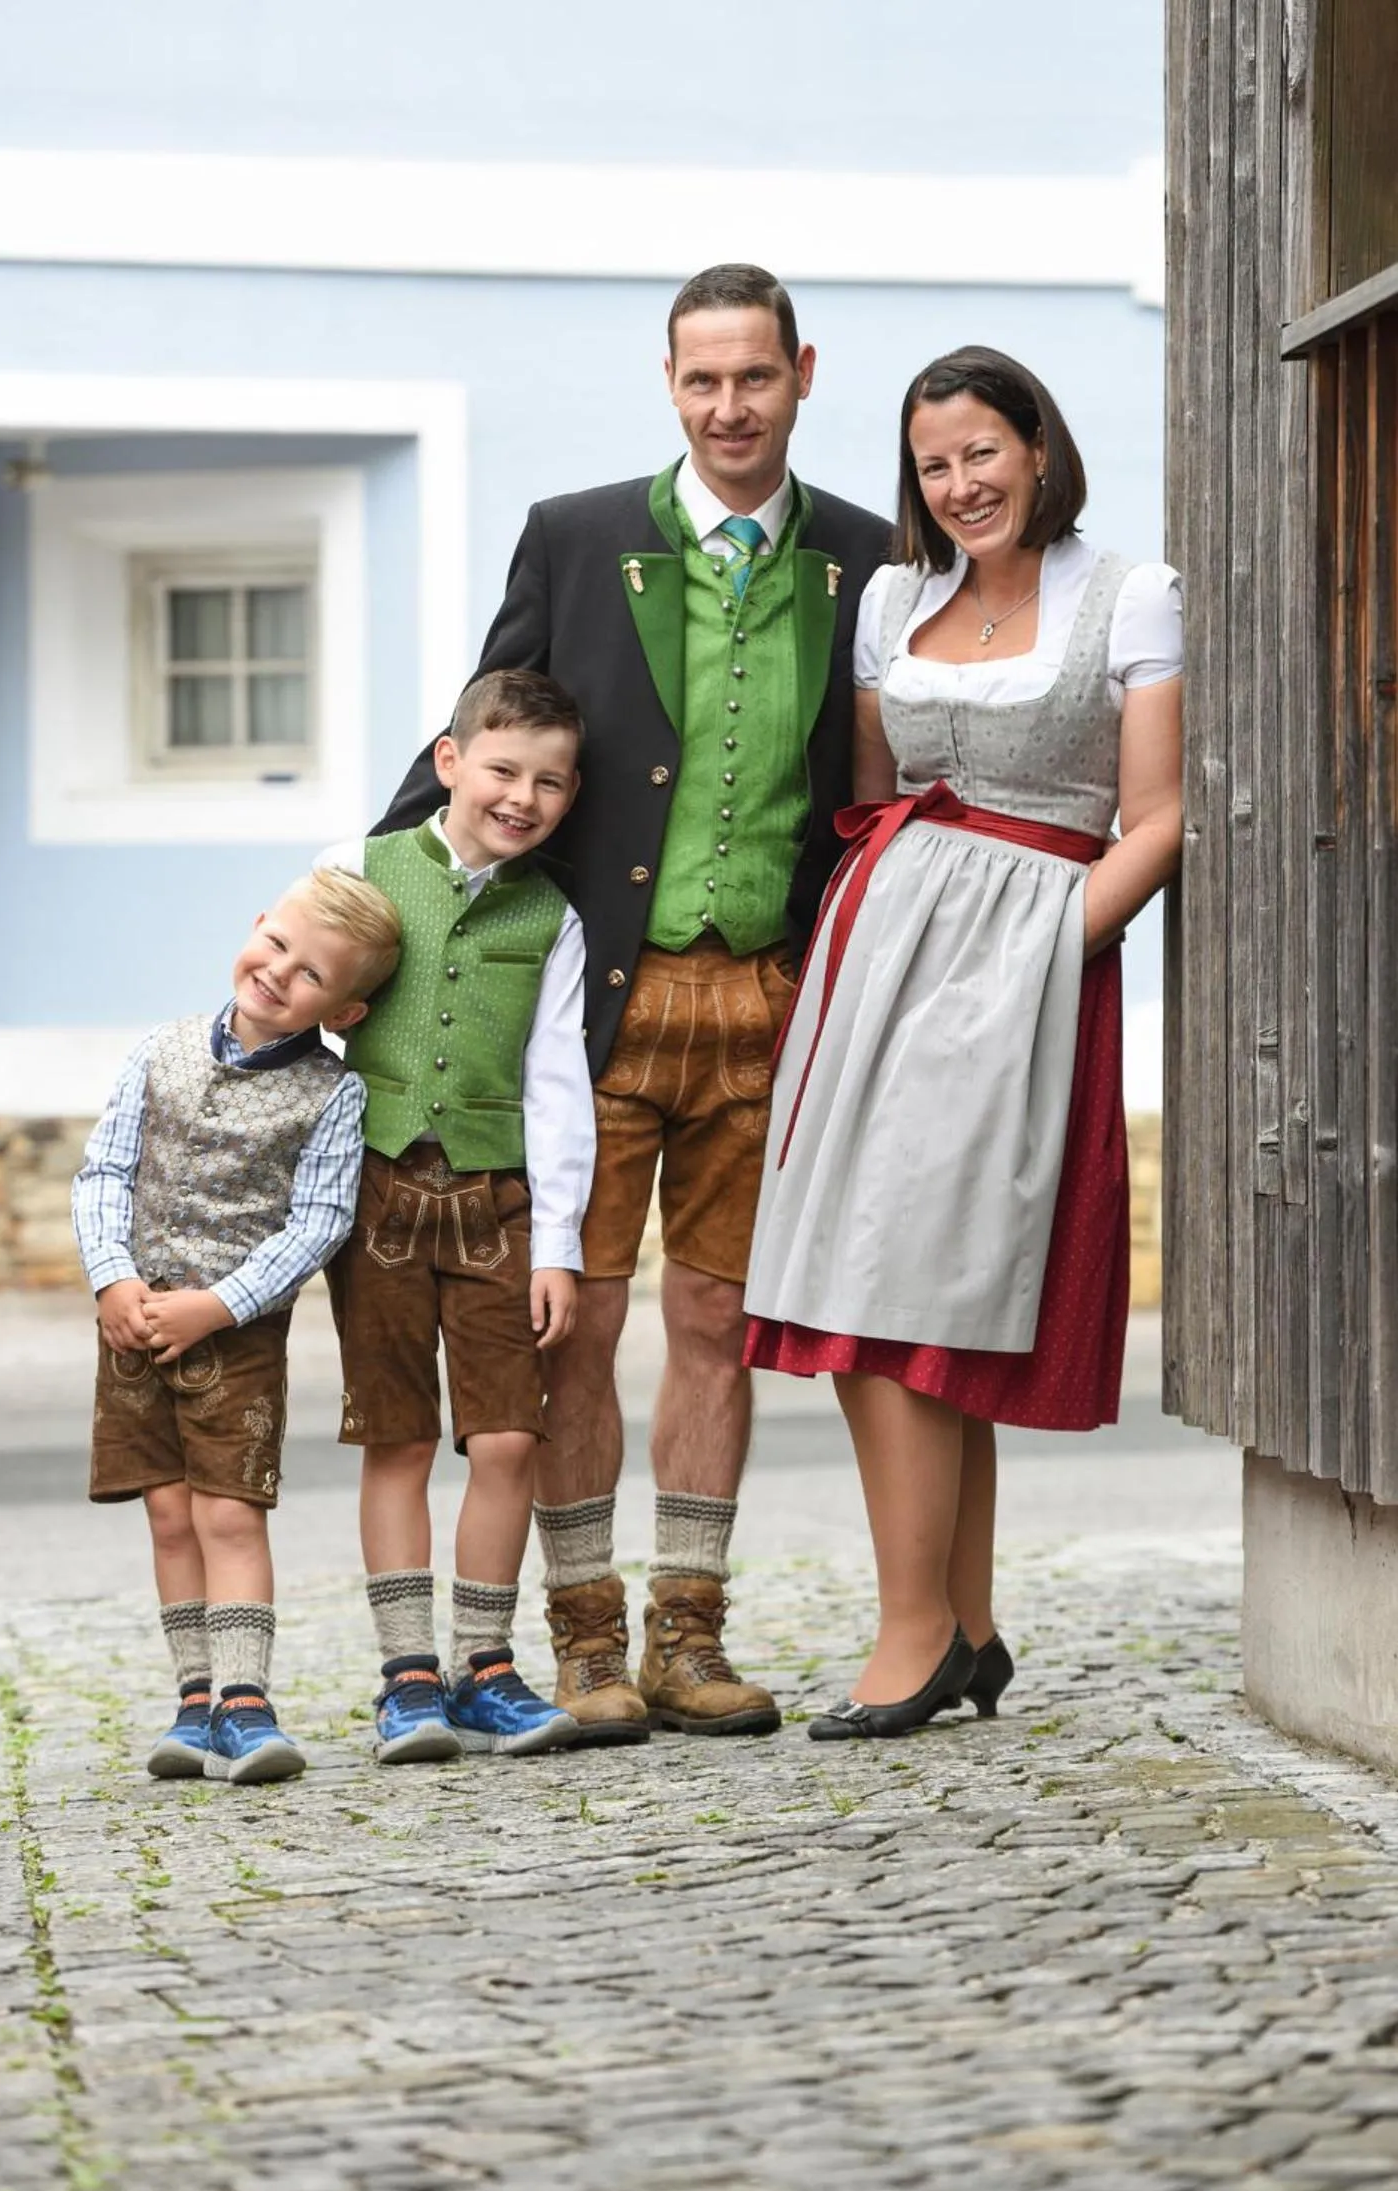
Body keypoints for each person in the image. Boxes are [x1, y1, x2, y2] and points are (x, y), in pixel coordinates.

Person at [376, 265, 891, 1744]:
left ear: (802, 373)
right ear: (669, 384)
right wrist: (371, 907)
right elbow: (482, 738)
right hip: (591, 1005)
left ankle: (689, 1638)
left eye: (755, 378)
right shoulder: (580, 536)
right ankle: (586, 1644)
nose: (729, 408)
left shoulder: (864, 558)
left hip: (766, 999)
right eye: (701, 381)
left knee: (718, 1322)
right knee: (578, 1324)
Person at [744, 344, 1184, 1739]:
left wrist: (1048, 951)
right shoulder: (893, 597)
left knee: (911, 1294)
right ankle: (964, 1624)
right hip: (884, 949)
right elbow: (876, 797)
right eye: (934, 465)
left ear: (1038, 449)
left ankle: (913, 1631)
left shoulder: (1131, 595)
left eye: (982, 452)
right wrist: (867, 942)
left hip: (1038, 947)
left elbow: (1159, 817)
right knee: (872, 1285)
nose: (960, 484)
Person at [71, 868, 402, 1783]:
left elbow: (319, 1224)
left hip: (237, 1336)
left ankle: (247, 1705)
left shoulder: (332, 1097)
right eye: (278, 946)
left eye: (311, 977)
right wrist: (112, 1281)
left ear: (347, 1010)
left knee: (227, 1514)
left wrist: (219, 1305)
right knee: (169, 1515)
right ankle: (194, 1701)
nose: (278, 974)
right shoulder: (157, 1050)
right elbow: (106, 1174)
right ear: (258, 926)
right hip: (133, 1324)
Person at [322, 669, 595, 1761]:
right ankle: (407, 1680)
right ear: (450, 761)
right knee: (397, 1438)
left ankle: (484, 1666)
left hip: (498, 1207)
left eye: (551, 782)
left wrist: (560, 1249)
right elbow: (299, 1007)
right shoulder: (361, 873)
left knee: (510, 1438)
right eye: (502, 770)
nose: (522, 797)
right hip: (376, 1198)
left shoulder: (555, 919)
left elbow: (559, 1088)